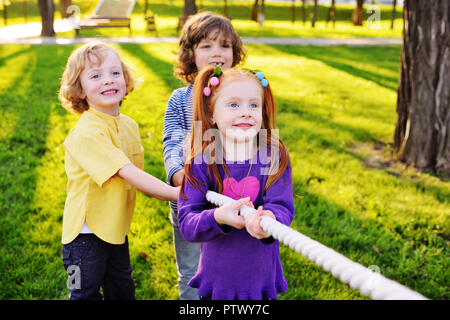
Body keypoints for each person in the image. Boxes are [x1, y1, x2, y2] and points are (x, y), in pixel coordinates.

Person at [59, 41, 179, 300]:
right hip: (83, 236)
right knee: (83, 293)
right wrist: (175, 193)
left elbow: (137, 177)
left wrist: (170, 190)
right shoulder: (87, 132)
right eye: (95, 76)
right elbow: (128, 172)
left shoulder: (128, 126)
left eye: (115, 73)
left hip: (115, 229)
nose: (108, 80)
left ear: (125, 79)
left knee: (122, 290)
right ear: (80, 90)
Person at [177, 66, 295, 300]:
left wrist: (270, 219)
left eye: (254, 105)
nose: (246, 112)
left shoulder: (273, 155)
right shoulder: (202, 162)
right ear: (212, 113)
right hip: (218, 279)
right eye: (233, 105)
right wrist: (217, 217)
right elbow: (187, 223)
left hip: (260, 277)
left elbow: (282, 207)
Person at [163, 11, 247, 300]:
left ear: (235, 53)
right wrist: (179, 179)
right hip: (190, 202)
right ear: (191, 53)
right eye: (206, 46)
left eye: (224, 45)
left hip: (234, 198)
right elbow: (172, 144)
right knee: (191, 272)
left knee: (231, 268)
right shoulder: (179, 99)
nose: (217, 53)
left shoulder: (243, 94)